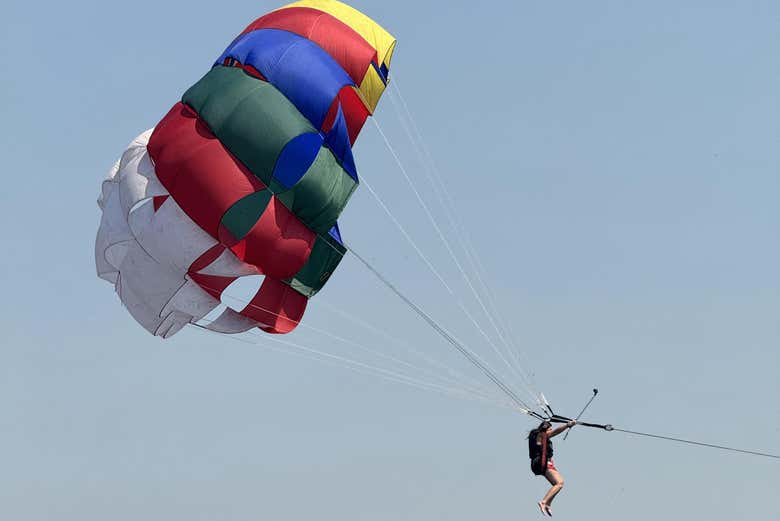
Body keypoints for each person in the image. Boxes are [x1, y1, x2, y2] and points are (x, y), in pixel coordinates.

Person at [528, 419, 576, 516]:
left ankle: (548, 503)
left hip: (542, 463)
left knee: (557, 484)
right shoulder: (540, 435)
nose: (551, 431)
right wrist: (567, 425)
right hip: (540, 462)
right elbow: (555, 432)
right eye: (549, 429)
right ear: (544, 429)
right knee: (559, 483)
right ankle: (543, 502)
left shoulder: (543, 439)